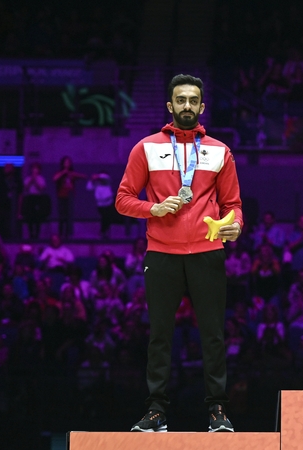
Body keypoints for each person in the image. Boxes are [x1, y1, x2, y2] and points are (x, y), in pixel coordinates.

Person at [115, 74, 243, 433]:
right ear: (170, 106)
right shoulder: (146, 148)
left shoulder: (220, 150)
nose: (187, 106)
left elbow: (233, 204)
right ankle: (156, 411)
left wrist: (236, 226)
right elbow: (123, 199)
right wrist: (151, 209)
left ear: (202, 106)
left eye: (193, 100)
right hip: (162, 253)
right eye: (181, 100)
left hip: (207, 251)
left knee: (213, 334)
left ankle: (217, 410)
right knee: (160, 335)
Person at [52, 156, 87, 238]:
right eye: (65, 162)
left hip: (70, 196)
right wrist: (63, 172)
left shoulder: (72, 173)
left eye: (68, 162)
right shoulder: (59, 173)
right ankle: (60, 233)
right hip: (61, 196)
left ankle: (69, 234)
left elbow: (83, 176)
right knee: (61, 215)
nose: (67, 163)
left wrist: (71, 174)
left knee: (69, 215)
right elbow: (54, 179)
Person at [86, 171, 118, 239]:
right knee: (104, 217)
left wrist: (97, 176)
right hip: (100, 204)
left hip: (109, 203)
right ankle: (103, 232)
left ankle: (105, 232)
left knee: (108, 218)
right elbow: (88, 188)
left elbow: (106, 177)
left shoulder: (107, 181)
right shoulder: (96, 183)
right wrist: (92, 180)